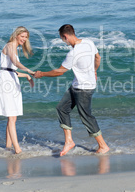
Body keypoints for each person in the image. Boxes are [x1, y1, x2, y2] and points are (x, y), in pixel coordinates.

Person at [34, 24, 109, 156]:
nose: (64, 42)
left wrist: (42, 74)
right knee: (62, 108)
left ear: (65, 36)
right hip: (77, 85)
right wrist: (94, 71)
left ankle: (103, 146)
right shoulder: (89, 42)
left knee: (86, 115)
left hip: (84, 88)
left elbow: (60, 72)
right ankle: (69, 141)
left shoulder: (73, 53)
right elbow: (98, 58)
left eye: (63, 39)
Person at [0, 26, 35, 154]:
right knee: (12, 117)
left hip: (11, 80)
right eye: (22, 37)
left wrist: (25, 75)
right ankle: (18, 150)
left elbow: (11, 70)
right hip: (5, 82)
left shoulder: (15, 49)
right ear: (16, 35)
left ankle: (8, 147)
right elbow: (14, 63)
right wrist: (28, 70)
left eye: (26, 38)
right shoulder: (9, 46)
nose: (24, 40)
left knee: (12, 117)